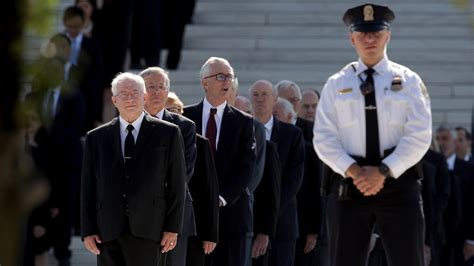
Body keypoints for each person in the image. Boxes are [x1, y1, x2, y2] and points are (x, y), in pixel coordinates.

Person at [313, 4, 432, 266]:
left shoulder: (409, 81)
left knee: (408, 259)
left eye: (376, 33)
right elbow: (323, 138)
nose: (370, 39)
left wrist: (383, 171)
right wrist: (355, 171)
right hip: (349, 184)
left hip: (398, 183)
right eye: (363, 33)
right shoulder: (336, 84)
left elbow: (419, 134)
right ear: (351, 37)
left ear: (388, 36)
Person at [81, 72, 186, 265]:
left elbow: (177, 183)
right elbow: (88, 186)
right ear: (114, 100)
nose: (129, 98)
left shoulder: (168, 133)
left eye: (135, 93)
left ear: (144, 97)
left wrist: (173, 227)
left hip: (150, 229)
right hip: (107, 231)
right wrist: (87, 229)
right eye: (123, 94)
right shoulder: (96, 138)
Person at [182, 57, 256, 266]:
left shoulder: (244, 122)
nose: (227, 82)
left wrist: (221, 198)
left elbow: (246, 167)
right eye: (220, 77)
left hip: (231, 215)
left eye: (230, 77)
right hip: (194, 215)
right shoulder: (185, 117)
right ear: (205, 82)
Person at [139, 67, 197, 266]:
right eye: (151, 87)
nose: (156, 92)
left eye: (161, 87)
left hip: (174, 214)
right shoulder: (128, 124)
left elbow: (184, 172)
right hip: (137, 215)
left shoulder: (185, 127)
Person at [250, 80, 305, 266]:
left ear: (275, 99)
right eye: (255, 95)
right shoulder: (242, 130)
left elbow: (293, 181)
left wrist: (269, 219)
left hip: (282, 224)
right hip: (249, 221)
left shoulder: (293, 134)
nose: (260, 99)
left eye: (264, 94)